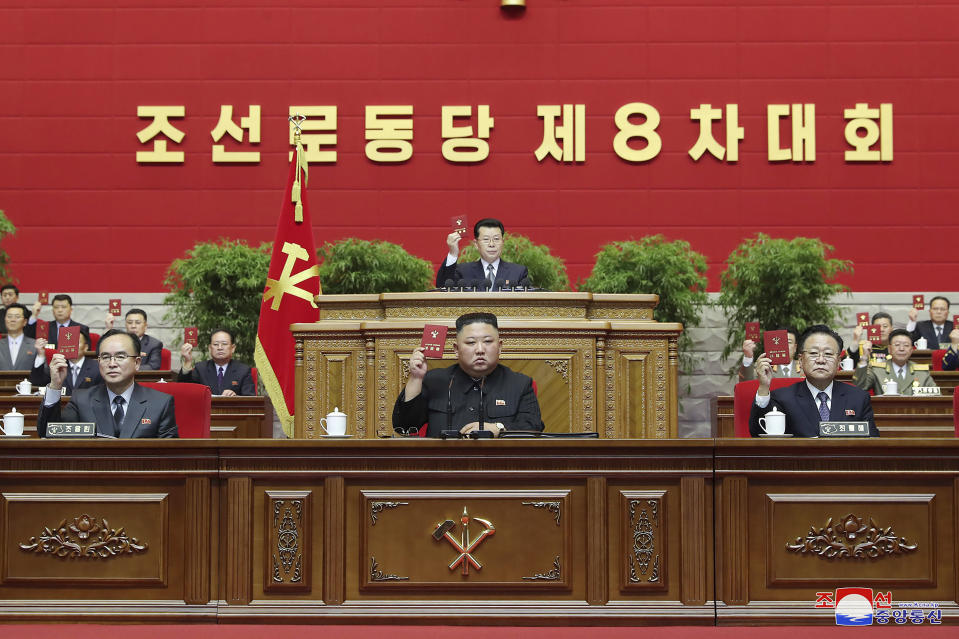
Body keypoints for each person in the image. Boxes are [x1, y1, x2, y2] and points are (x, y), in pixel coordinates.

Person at [392, 312, 544, 437]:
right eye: (471, 343)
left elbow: (533, 428)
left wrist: (498, 428)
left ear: (500, 346)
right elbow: (404, 426)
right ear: (456, 349)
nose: (480, 349)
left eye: (488, 341)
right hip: (443, 468)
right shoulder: (434, 381)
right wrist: (416, 378)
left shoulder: (520, 384)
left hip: (498, 468)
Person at [36, 329, 177, 438]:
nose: (112, 364)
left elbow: (170, 457)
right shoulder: (82, 400)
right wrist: (55, 386)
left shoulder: (160, 403)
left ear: (137, 363)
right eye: (105, 357)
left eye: (121, 357)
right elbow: (49, 433)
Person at [749, 325, 878, 437]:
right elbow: (758, 432)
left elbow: (872, 442)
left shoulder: (858, 398)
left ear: (839, 361)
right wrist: (763, 388)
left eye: (828, 354)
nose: (821, 360)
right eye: (813, 353)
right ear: (800, 360)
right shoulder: (783, 398)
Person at [435, 218, 530, 289]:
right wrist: (453, 253)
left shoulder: (518, 272)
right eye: (486, 239)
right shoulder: (463, 271)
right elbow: (443, 287)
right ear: (476, 244)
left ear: (503, 242)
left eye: (496, 239)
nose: (491, 244)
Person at [852, 329, 937, 396]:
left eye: (906, 345)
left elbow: (936, 395)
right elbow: (859, 388)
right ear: (889, 349)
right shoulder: (877, 369)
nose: (901, 349)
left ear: (911, 350)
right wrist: (864, 358)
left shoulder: (921, 372)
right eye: (897, 345)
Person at [178, 328, 255, 396]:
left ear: (233, 348)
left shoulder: (243, 370)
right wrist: (187, 361)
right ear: (210, 348)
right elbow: (184, 389)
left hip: (231, 411)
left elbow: (250, 398)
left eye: (224, 344)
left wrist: (236, 397)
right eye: (215, 344)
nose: (220, 348)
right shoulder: (200, 368)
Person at [30, 327, 102, 394]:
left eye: (77, 342)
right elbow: (37, 382)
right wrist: (41, 355)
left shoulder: (97, 367)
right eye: (70, 342)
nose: (73, 345)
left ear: (86, 347)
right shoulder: (57, 365)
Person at [0, 303, 43, 370]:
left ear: (25, 322)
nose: (12, 320)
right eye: (9, 316)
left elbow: (44, 373)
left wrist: (41, 356)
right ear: (5, 320)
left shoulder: (35, 345)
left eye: (17, 317)